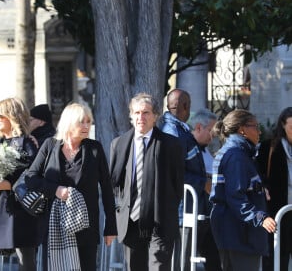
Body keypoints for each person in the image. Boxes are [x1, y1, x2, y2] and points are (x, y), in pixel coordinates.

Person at [25, 102, 117, 271]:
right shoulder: (50, 145)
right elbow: (31, 178)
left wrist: (110, 226)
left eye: (89, 121)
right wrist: (56, 190)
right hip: (54, 226)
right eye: (81, 121)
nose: (86, 126)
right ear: (69, 122)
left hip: (85, 226)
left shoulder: (94, 149)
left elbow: (106, 187)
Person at [110, 92, 184, 271]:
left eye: (146, 113)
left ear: (155, 116)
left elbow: (177, 185)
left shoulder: (171, 145)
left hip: (160, 223)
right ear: (131, 116)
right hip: (131, 223)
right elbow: (114, 181)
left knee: (157, 267)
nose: (140, 117)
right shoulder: (119, 144)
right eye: (136, 113)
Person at [160, 88, 221, 271]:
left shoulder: (179, 129)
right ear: (185, 106)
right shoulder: (173, 131)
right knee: (181, 262)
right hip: (181, 211)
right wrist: (203, 183)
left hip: (190, 209)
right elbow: (173, 172)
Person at [210, 109, 277, 271]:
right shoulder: (236, 155)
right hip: (238, 234)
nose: (259, 131)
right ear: (242, 129)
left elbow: (241, 187)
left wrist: (260, 190)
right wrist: (260, 218)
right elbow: (235, 196)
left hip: (237, 232)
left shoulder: (239, 153)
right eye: (255, 126)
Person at [0, 97, 39, 271]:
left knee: (25, 259)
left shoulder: (26, 143)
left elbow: (34, 175)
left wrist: (9, 185)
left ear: (12, 116)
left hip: (20, 210)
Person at [257, 107, 292, 271]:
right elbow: (258, 174)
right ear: (283, 126)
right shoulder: (269, 147)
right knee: (278, 255)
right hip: (278, 211)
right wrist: (264, 187)